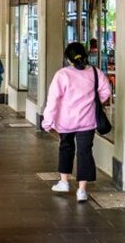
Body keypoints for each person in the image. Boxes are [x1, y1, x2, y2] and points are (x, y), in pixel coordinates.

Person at [42, 42, 111, 203]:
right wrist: (93, 102)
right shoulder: (95, 72)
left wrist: (47, 122)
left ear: (68, 59)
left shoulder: (62, 74)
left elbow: (53, 100)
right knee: (85, 152)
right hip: (87, 121)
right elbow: (106, 91)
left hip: (66, 121)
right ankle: (81, 191)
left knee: (66, 147)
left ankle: (64, 182)